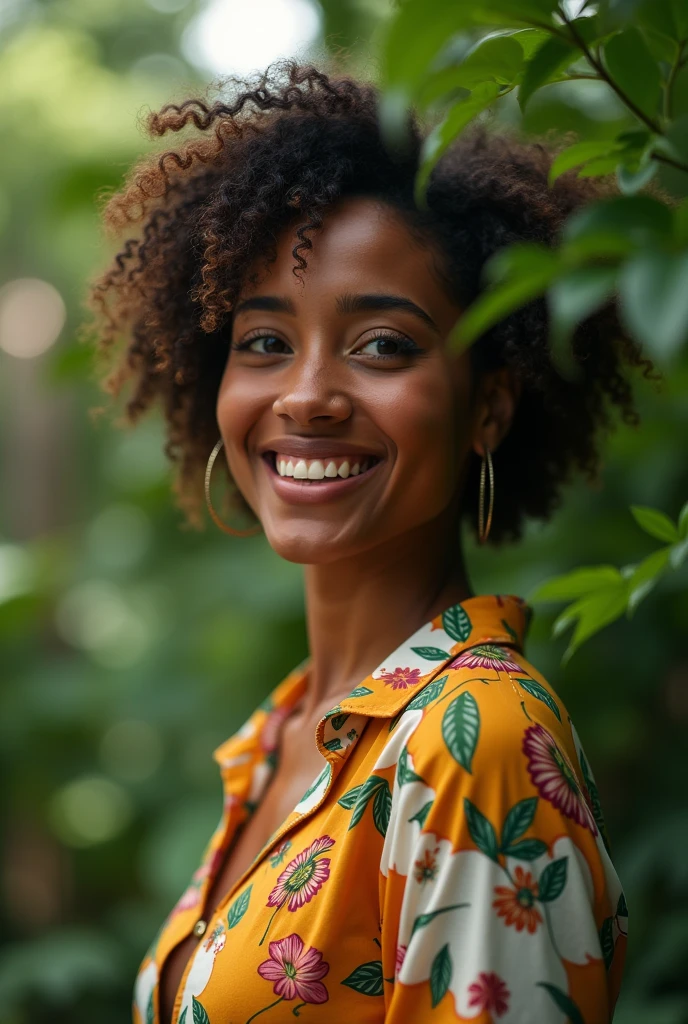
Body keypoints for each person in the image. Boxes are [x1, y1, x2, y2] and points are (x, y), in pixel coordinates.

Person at [89, 62, 637, 1024]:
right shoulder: (284, 735)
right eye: (263, 342)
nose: (304, 395)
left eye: (382, 344)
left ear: (490, 407)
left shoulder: (478, 745)